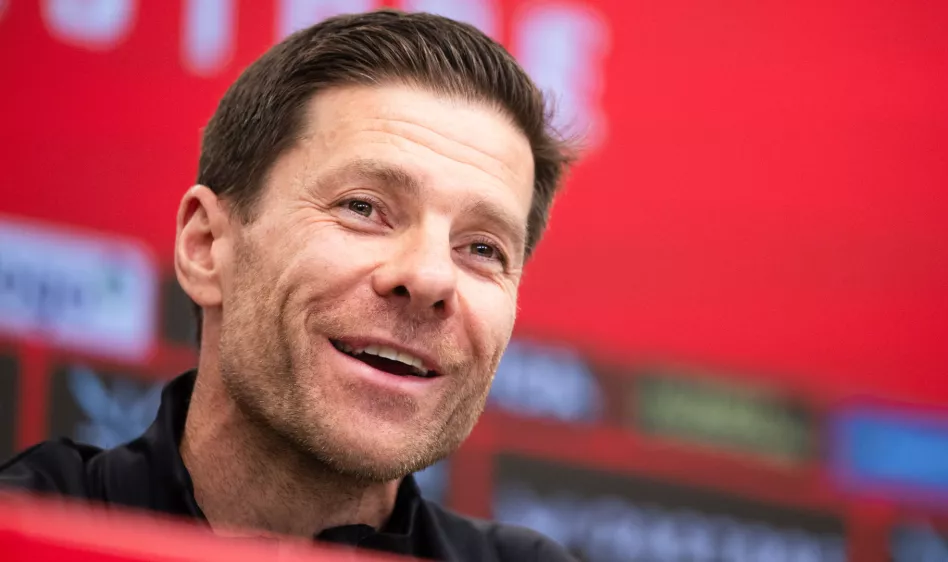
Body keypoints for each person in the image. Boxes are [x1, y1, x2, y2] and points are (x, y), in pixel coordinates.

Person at [0, 9, 577, 561]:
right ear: (206, 247)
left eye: (482, 249)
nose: (429, 277)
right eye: (363, 207)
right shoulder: (21, 525)